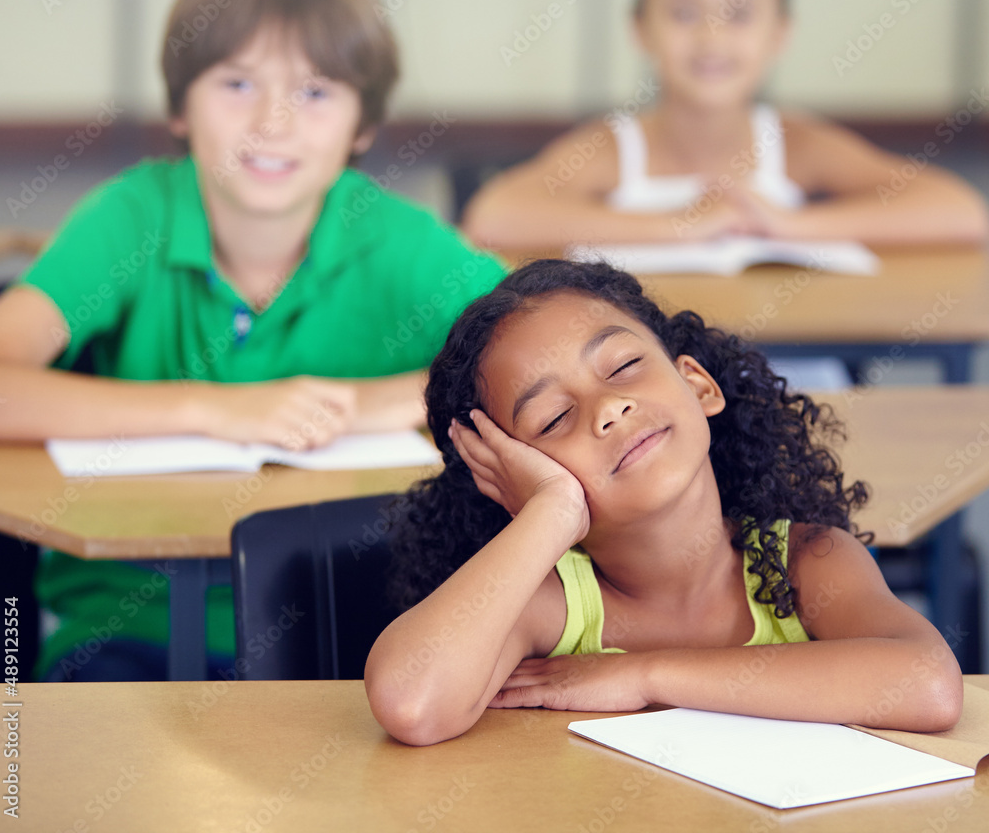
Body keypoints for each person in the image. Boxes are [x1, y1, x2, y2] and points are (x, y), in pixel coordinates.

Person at [0, 0, 506, 681]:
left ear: (361, 126)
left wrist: (374, 401)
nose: (273, 121)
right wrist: (214, 408)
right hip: (129, 630)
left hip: (356, 632)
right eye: (237, 84)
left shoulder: (398, 241)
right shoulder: (133, 217)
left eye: (317, 91)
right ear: (180, 106)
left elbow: (553, 348)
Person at [365, 259, 963, 746]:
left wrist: (642, 675)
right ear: (510, 476)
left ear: (698, 385)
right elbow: (413, 704)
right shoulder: (553, 604)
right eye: (554, 419)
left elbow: (929, 685)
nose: (608, 408)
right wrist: (549, 512)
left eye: (624, 366)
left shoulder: (804, 563)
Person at [462, 0, 988, 250]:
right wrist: (678, 228)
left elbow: (961, 213)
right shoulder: (613, 148)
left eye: (739, 14)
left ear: (780, 32)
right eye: (684, 12)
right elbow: (494, 216)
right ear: (640, 28)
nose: (712, 39)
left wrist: (788, 226)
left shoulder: (798, 144)